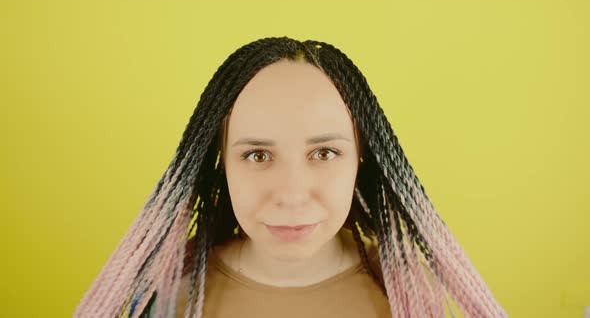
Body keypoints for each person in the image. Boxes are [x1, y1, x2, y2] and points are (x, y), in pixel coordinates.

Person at [74, 36, 507, 318]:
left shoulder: (416, 300)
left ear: (362, 160)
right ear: (221, 163)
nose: (292, 194)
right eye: (258, 154)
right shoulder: (163, 299)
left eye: (324, 152)